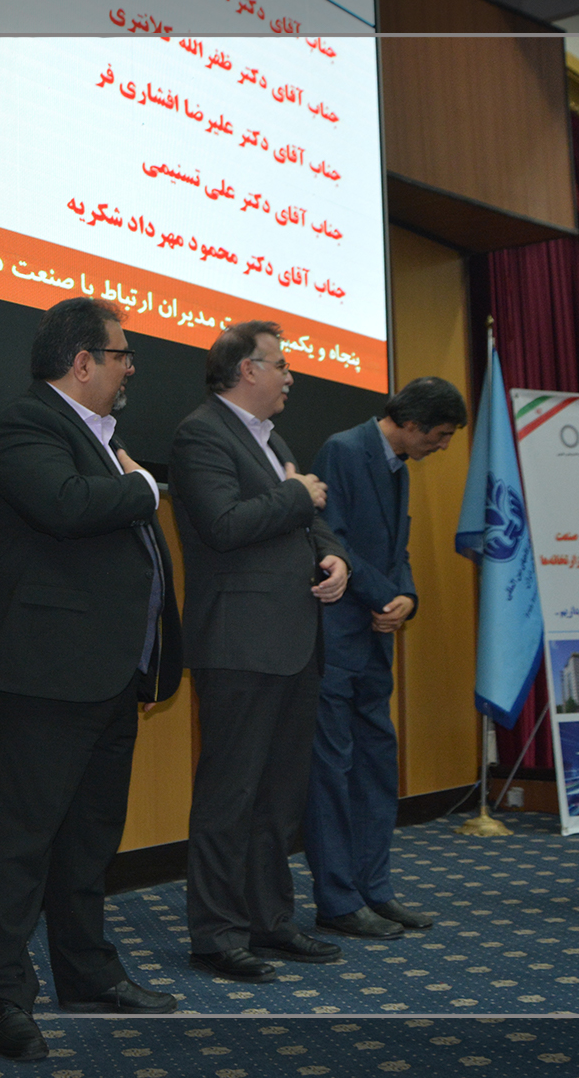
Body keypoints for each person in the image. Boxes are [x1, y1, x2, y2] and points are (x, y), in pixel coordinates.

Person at [0, 297, 184, 1062]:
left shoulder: (106, 441)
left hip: (110, 673)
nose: (131, 370)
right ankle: (2, 999)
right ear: (83, 362)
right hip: (41, 674)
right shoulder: (24, 425)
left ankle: (88, 975)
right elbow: (64, 506)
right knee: (18, 847)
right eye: (122, 356)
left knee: (89, 843)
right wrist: (145, 489)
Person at [170, 322, 351, 980]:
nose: (291, 377)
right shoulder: (200, 435)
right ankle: (217, 935)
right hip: (238, 642)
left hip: (294, 639)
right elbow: (223, 525)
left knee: (278, 797)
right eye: (282, 365)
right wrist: (296, 496)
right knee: (231, 795)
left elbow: (311, 519)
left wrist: (333, 555)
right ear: (247, 369)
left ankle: (270, 921)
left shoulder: (272, 439)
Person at [307, 376, 466, 941]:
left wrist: (408, 599)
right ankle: (338, 900)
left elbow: (398, 550)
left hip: (374, 641)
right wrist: (384, 597)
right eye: (440, 435)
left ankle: (374, 890)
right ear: (413, 424)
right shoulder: (343, 450)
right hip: (337, 640)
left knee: (376, 767)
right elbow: (332, 540)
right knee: (332, 772)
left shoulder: (399, 466)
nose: (442, 446)